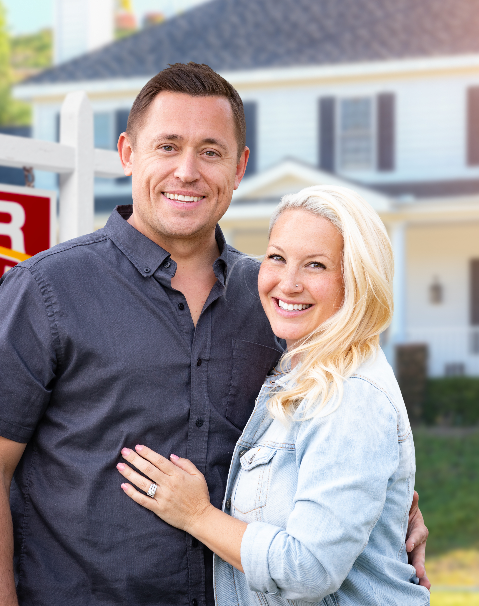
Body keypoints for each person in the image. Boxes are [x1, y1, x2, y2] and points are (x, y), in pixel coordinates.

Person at [0, 63, 429, 606]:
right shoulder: (46, 289)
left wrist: (391, 509)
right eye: (168, 146)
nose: (187, 170)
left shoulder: (276, 298)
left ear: (239, 166)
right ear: (129, 153)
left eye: (210, 151)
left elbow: (335, 437)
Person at [117, 185, 431, 605]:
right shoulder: (297, 371)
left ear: (357, 278)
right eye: (277, 258)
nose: (288, 283)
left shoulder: (349, 395)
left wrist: (195, 514)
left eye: (316, 265)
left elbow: (310, 570)